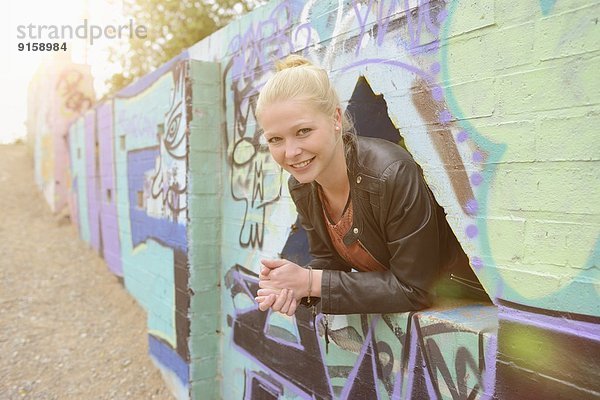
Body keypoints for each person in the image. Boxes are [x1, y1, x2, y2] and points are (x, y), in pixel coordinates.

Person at [254, 55, 486, 317]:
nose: (291, 151)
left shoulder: (391, 174)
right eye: (275, 139)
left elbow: (415, 289)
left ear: (335, 119)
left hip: (462, 301)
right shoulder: (302, 186)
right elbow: (329, 263)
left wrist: (310, 282)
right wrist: (293, 286)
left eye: (303, 131)